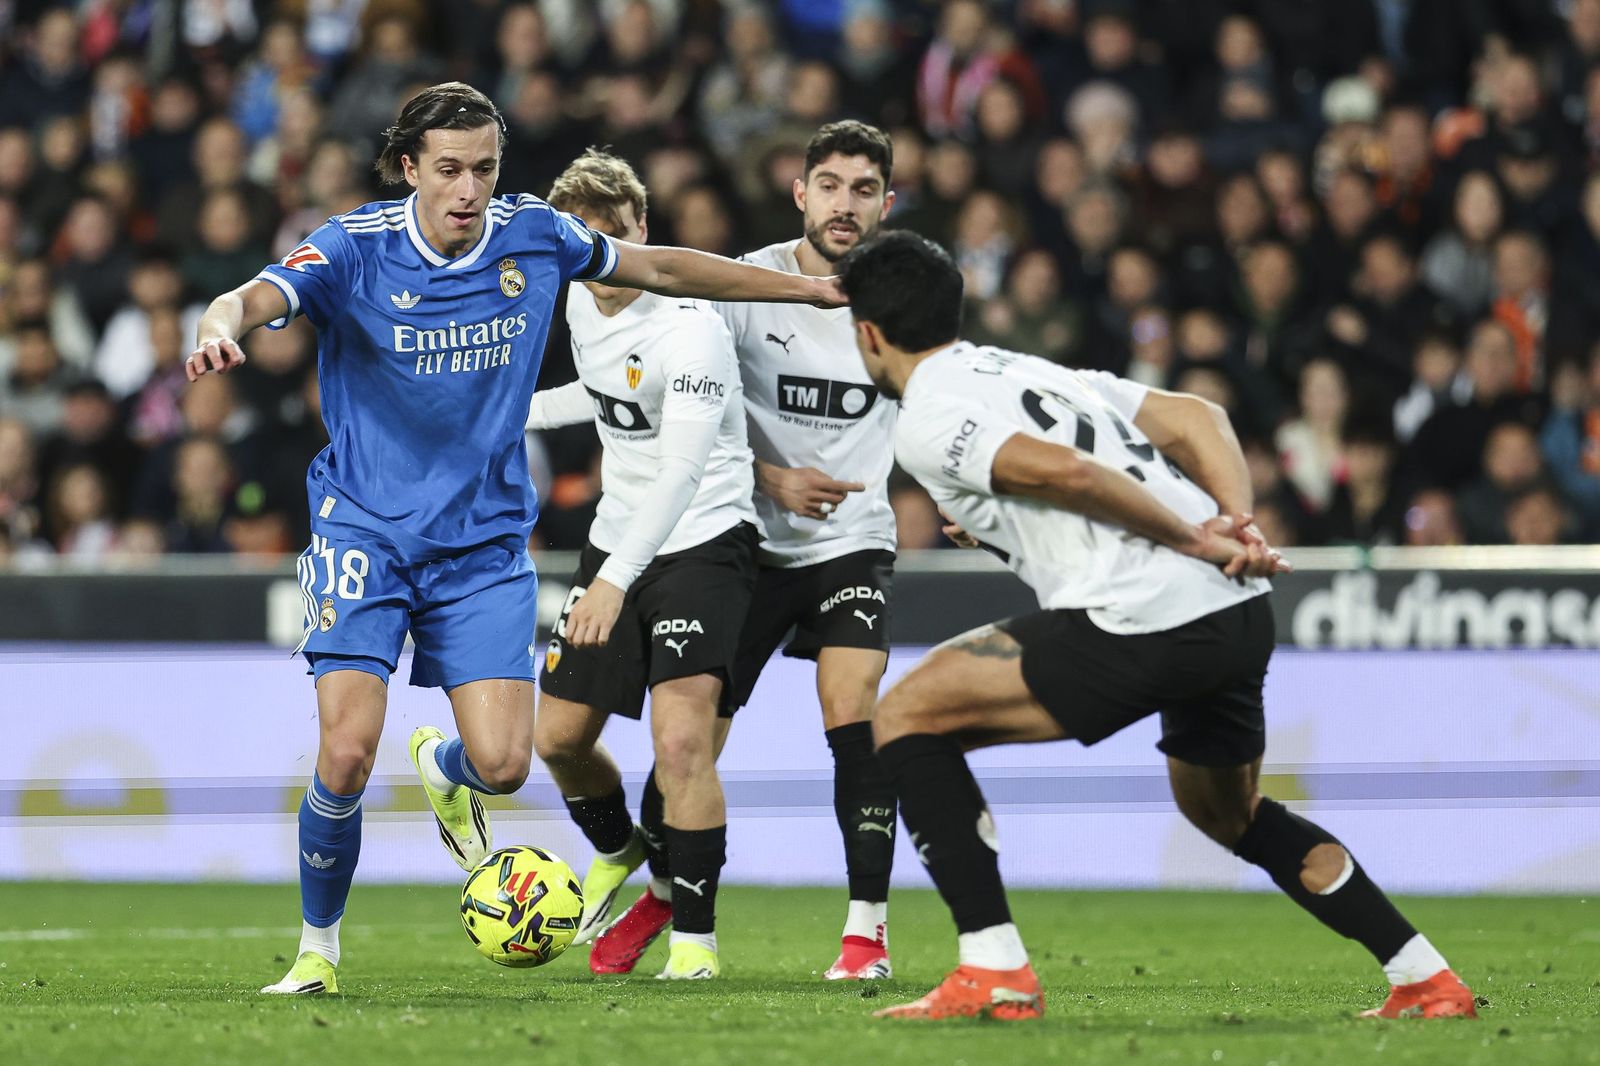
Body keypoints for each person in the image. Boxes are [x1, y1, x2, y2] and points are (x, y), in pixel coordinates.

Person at [184, 83, 841, 996]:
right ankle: (316, 952)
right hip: (365, 527)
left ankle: (444, 769)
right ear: (410, 168)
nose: (468, 190)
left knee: (503, 762)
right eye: (449, 170)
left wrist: (804, 288)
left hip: (484, 541)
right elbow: (251, 297)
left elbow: (668, 270)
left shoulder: (535, 235)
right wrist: (218, 329)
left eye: (484, 169)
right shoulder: (353, 247)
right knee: (345, 751)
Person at [836, 231, 1476, 1023]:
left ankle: (993, 966)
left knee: (905, 716)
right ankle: (1424, 977)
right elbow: (1199, 417)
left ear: (868, 333)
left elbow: (1066, 472)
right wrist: (1235, 524)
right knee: (1225, 813)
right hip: (1231, 613)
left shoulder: (927, 413)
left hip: (1145, 617)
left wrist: (1189, 535)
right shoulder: (1032, 371)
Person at [593, 120, 902, 982]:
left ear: (887, 202)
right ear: (799, 193)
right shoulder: (742, 288)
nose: (846, 204)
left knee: (855, 709)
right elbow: (693, 414)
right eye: (831, 185)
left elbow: (942, 401)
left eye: (864, 189)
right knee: (684, 754)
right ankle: (665, 892)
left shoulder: (906, 295)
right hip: (748, 544)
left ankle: (865, 932)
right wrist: (772, 478)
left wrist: (969, 499)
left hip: (851, 544)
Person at [524, 150, 758, 980]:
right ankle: (623, 850)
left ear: (642, 232)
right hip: (618, 536)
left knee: (683, 742)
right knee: (555, 740)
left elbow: (681, 471)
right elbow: (605, 391)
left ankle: (695, 944)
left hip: (702, 543)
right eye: (580, 243)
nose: (598, 261)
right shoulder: (582, 297)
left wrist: (615, 581)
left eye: (611, 238)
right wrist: (512, 413)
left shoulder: (691, 325)